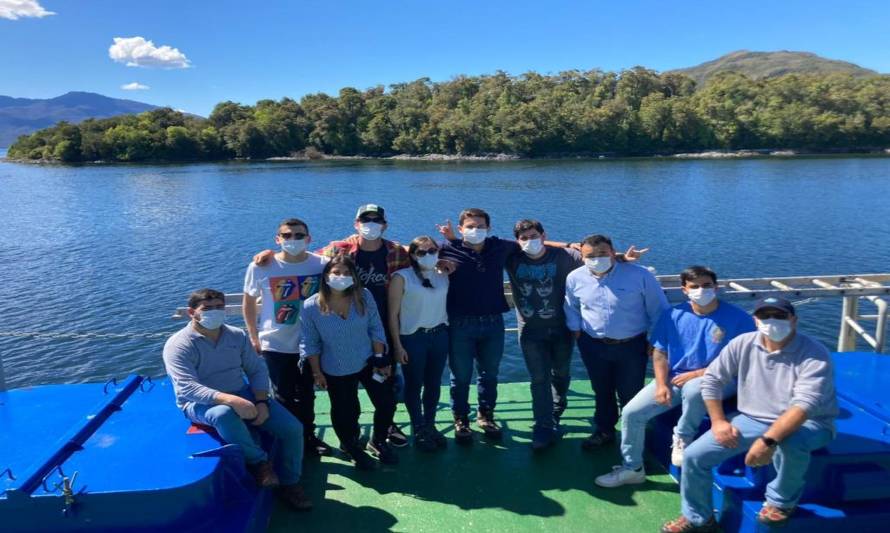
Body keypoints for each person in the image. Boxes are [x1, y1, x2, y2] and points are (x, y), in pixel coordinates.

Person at [662, 297, 837, 532]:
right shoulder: (742, 343)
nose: (772, 322)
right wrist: (718, 421)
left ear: (793, 320)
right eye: (765, 316)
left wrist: (767, 440)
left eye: (780, 316)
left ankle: (781, 502)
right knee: (694, 455)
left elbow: (804, 405)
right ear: (755, 320)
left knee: (791, 441)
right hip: (753, 418)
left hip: (810, 422)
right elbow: (712, 380)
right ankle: (698, 518)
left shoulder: (814, 353)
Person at [255, 204, 411, 447]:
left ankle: (386, 427)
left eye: (376, 220)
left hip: (381, 330)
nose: (371, 225)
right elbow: (301, 257)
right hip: (343, 333)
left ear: (385, 225)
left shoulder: (397, 251)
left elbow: (423, 253)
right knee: (344, 395)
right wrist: (269, 255)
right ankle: (347, 438)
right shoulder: (340, 249)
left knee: (386, 387)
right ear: (356, 224)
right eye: (365, 220)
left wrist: (445, 250)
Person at [594, 266, 755, 487]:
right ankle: (633, 467)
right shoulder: (673, 315)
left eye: (707, 285)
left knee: (696, 388)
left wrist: (699, 373)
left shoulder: (739, 319)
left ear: (716, 287)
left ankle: (683, 436)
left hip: (721, 378)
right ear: (685, 290)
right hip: (676, 377)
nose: (702, 290)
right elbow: (660, 352)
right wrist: (661, 384)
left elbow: (743, 359)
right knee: (632, 413)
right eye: (695, 286)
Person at [162, 288, 312, 510]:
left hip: (242, 392)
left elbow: (256, 370)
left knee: (292, 428)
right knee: (223, 414)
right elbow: (186, 387)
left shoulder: (236, 335)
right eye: (207, 309)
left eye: (219, 307)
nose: (214, 312)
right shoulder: (179, 345)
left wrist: (260, 401)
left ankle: (290, 483)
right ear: (192, 312)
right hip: (198, 403)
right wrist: (231, 401)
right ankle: (260, 462)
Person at [564, 234, 670, 449]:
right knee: (601, 390)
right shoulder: (575, 277)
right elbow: (570, 305)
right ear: (582, 257)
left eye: (602, 253)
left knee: (631, 392)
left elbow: (659, 310)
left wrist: (657, 339)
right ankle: (604, 431)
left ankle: (634, 437)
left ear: (613, 252)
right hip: (592, 345)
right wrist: (575, 329)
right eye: (590, 256)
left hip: (631, 345)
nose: (597, 259)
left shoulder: (639, 275)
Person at [243, 217, 332, 458]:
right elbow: (249, 302)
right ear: (278, 239)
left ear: (309, 238)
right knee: (282, 395)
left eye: (299, 235)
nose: (293, 240)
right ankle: (287, 440)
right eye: (287, 235)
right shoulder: (261, 266)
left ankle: (308, 438)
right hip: (275, 342)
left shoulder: (322, 264)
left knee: (306, 393)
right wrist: (253, 335)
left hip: (310, 343)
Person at [299, 255, 398, 470]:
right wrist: (317, 373)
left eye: (347, 273)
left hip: (368, 361)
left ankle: (378, 440)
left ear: (354, 277)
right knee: (346, 410)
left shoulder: (363, 296)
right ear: (326, 276)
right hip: (336, 367)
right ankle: (351, 445)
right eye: (336, 273)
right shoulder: (310, 307)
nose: (341, 277)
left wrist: (380, 357)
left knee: (386, 402)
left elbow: (376, 327)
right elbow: (310, 343)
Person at [504, 219, 583, 451]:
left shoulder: (566, 256)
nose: (530, 241)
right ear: (518, 241)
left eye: (534, 236)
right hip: (530, 331)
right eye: (524, 238)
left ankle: (557, 408)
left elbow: (596, 257)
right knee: (539, 379)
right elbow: (477, 248)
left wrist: (620, 258)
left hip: (562, 328)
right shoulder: (511, 257)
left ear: (543, 235)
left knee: (561, 372)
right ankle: (543, 426)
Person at [387, 236, 450, 452]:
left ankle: (430, 424)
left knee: (434, 384)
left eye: (432, 250)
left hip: (440, 335)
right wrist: (397, 346)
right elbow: (393, 314)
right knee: (414, 385)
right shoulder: (401, 278)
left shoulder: (443, 275)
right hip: (413, 338)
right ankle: (419, 428)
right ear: (412, 255)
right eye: (421, 252)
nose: (428, 255)